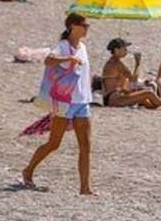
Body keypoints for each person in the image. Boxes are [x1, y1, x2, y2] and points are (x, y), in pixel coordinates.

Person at [22, 13, 94, 195]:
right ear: (73, 26)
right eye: (84, 25)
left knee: (85, 146)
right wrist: (68, 59)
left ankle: (85, 188)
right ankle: (28, 170)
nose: (87, 28)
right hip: (65, 103)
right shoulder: (63, 46)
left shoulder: (83, 47)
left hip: (83, 102)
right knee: (54, 143)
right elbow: (48, 61)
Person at [100, 38, 161, 110]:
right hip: (116, 99)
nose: (127, 51)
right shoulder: (117, 64)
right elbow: (133, 81)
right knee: (148, 93)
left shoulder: (111, 63)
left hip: (110, 98)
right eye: (124, 48)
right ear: (116, 50)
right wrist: (138, 63)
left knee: (145, 100)